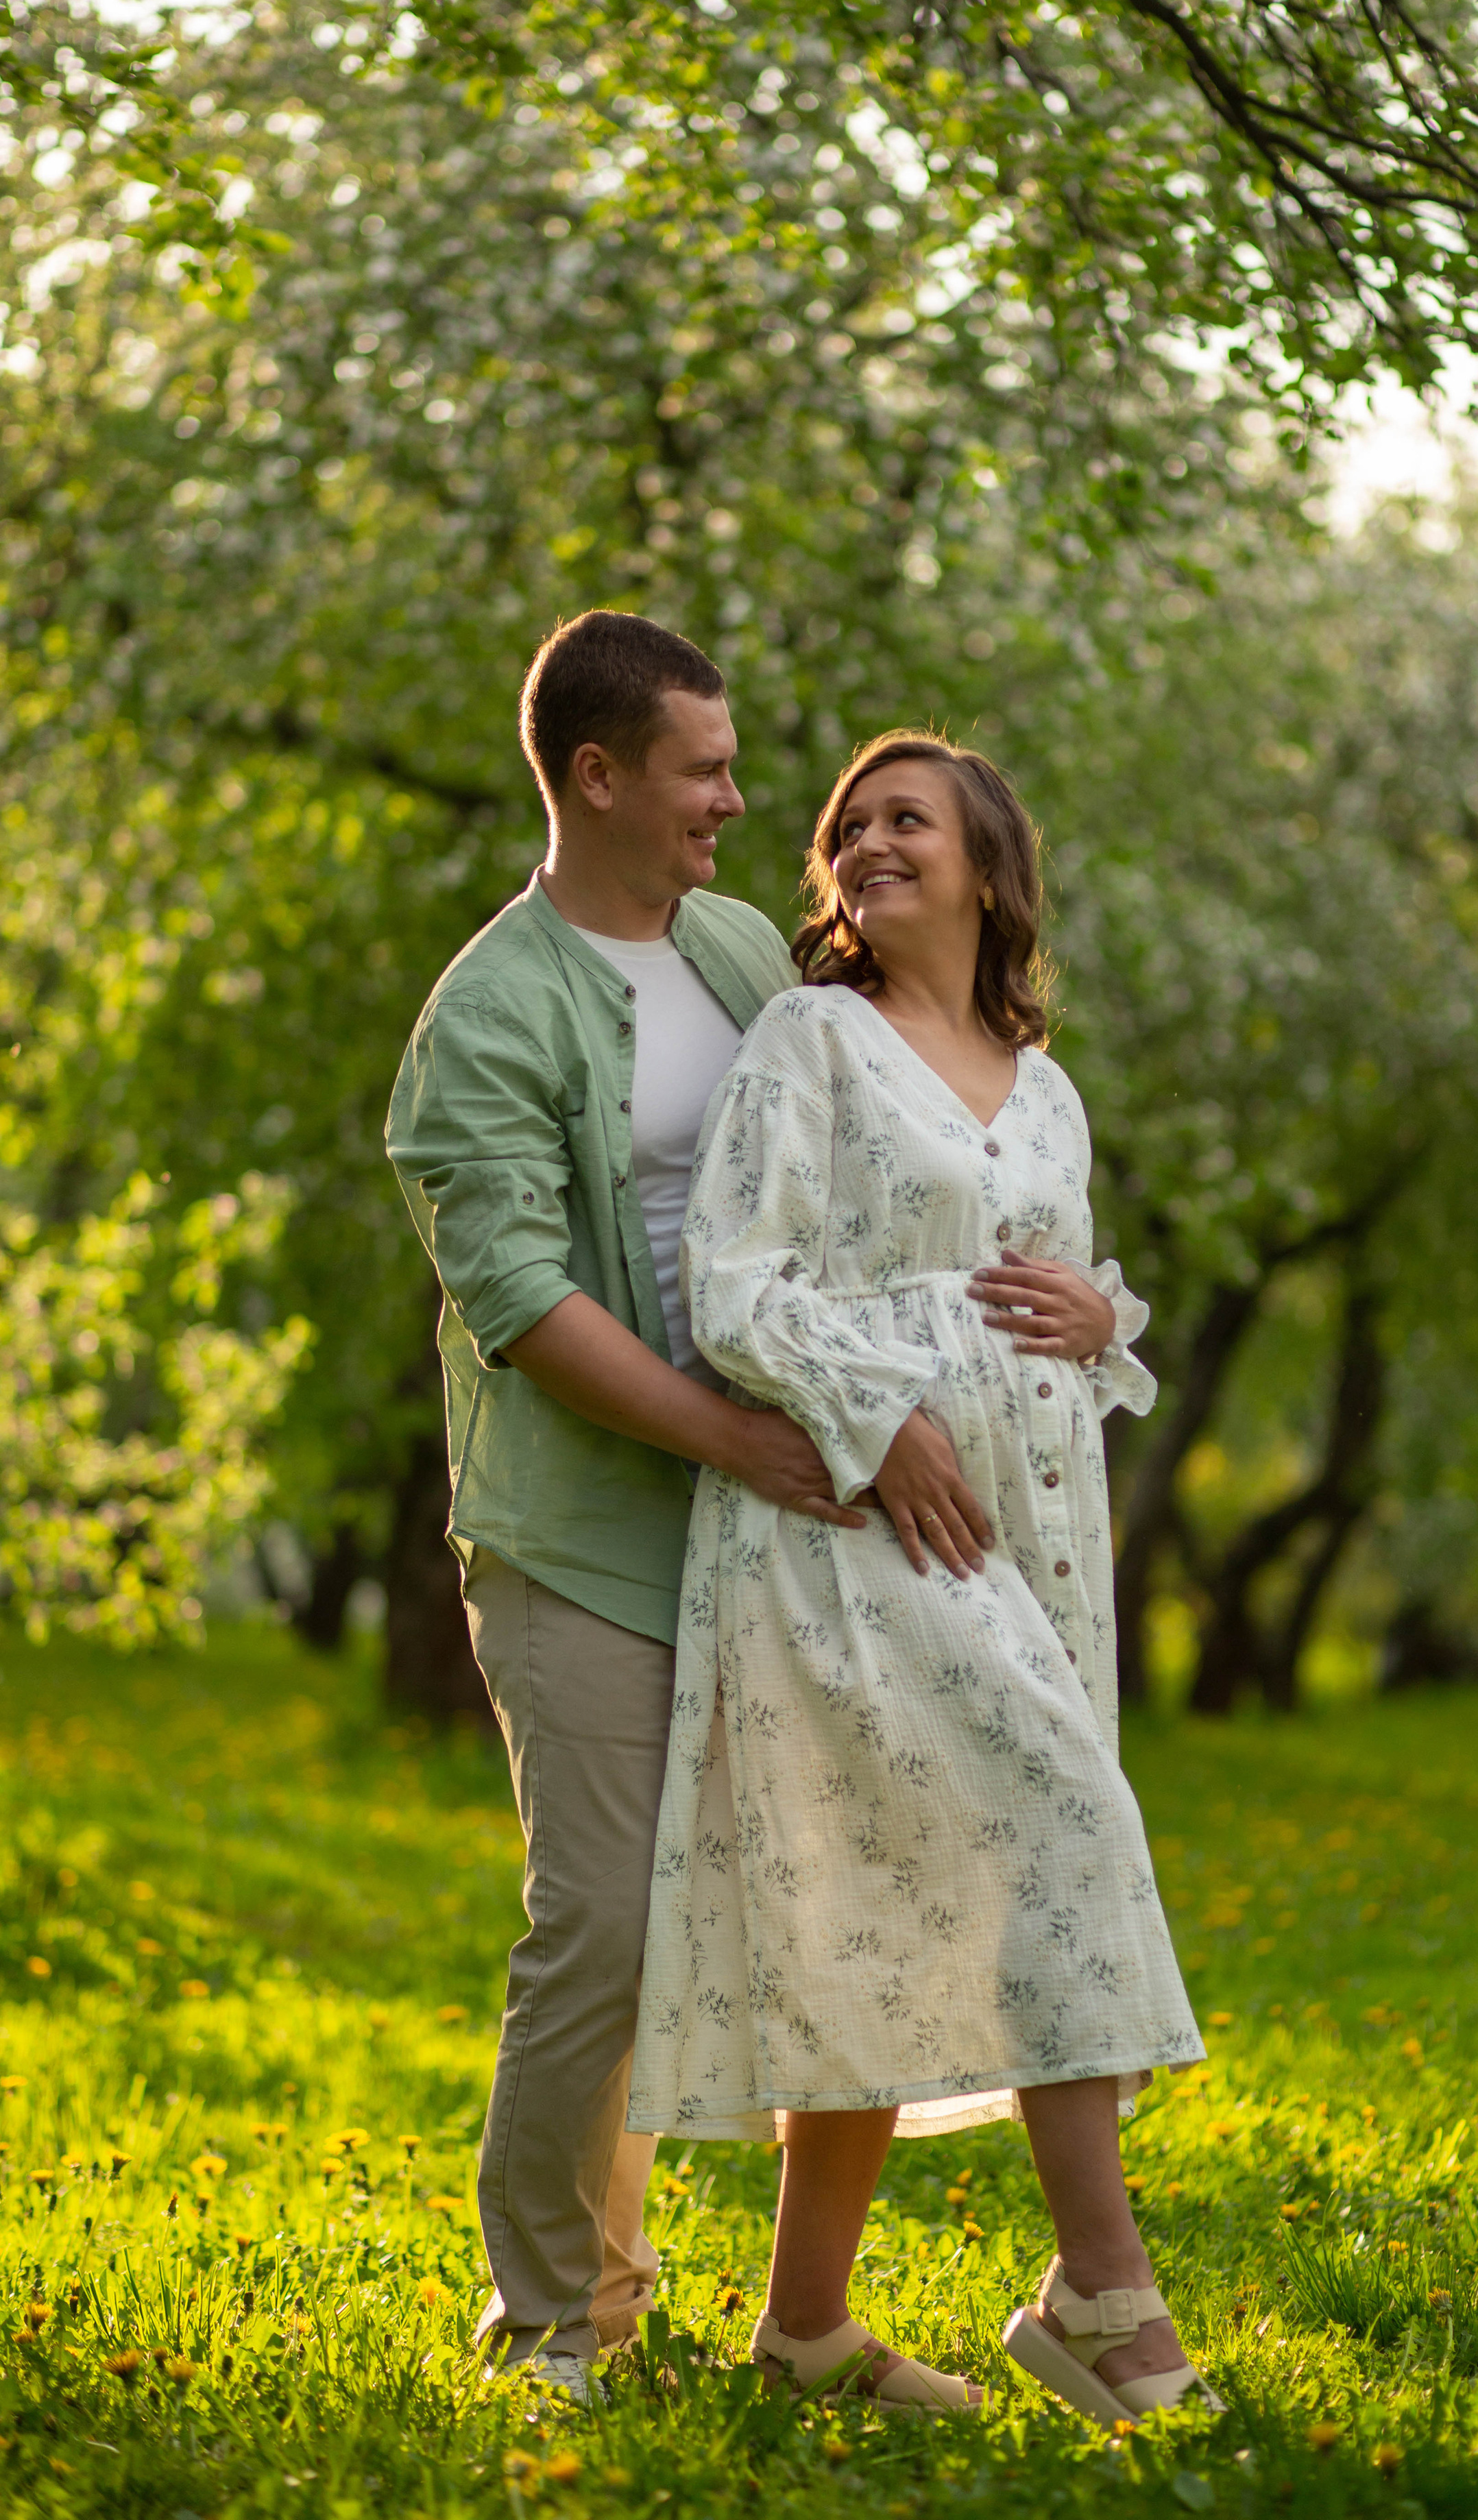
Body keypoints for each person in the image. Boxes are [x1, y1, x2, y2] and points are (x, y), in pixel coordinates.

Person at [628, 731, 1218, 2425]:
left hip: (1033, 1539)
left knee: (897, 1906)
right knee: (1063, 1837)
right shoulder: (812, 1040)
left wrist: (1110, 1321)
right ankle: (1102, 2297)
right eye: (847, 827)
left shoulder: (1043, 1086)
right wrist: (883, 1420)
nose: (867, 843)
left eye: (908, 820)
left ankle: (803, 2337)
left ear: (983, 864)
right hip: (849, 1518)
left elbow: (1069, 1295)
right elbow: (731, 1287)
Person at [385, 611, 865, 2396]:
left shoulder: (740, 949)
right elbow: (520, 1305)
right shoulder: (487, 1015)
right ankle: (543, 2331)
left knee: (694, 1922)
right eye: (705, 771)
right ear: (598, 776)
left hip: (755, 1532)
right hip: (579, 1535)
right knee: (601, 1912)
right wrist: (729, 1437)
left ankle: (621, 2291)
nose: (739, 803)